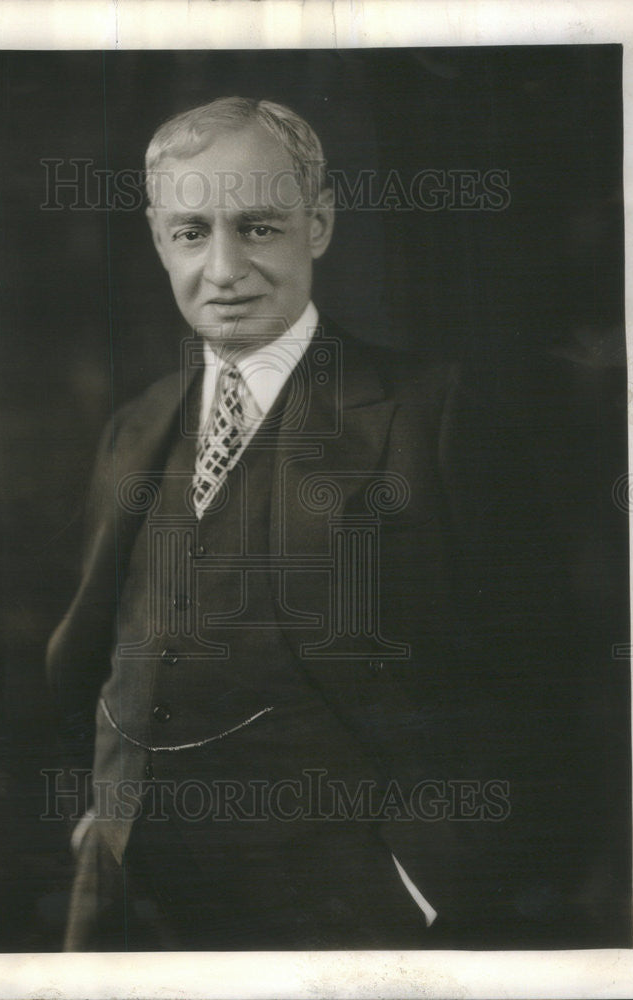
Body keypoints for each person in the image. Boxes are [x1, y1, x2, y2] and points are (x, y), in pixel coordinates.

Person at [46, 96, 493, 951]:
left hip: (343, 902)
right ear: (156, 240)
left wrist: (430, 872)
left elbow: (535, 675)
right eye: (190, 233)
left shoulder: (429, 412)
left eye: (256, 228)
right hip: (130, 896)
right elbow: (98, 646)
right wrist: (100, 815)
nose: (222, 269)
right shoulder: (136, 424)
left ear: (316, 224)